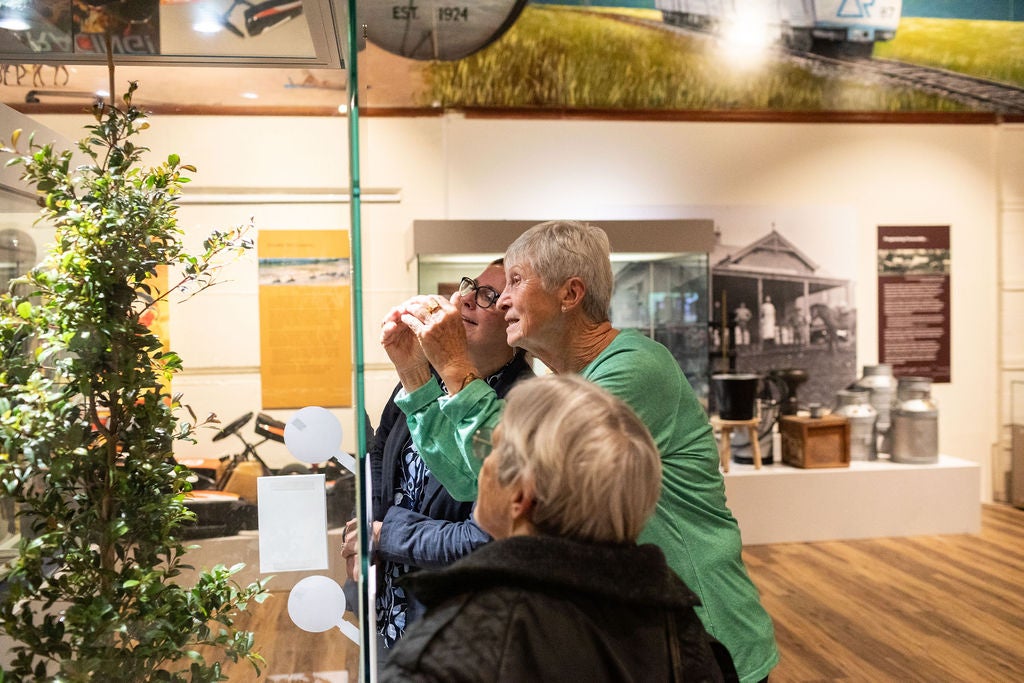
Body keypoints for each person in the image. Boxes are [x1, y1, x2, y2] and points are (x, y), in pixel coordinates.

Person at [381, 220, 778, 683]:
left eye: (515, 281)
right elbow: (471, 478)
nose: (503, 299)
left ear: (569, 294)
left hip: (698, 636)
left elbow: (526, 469)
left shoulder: (636, 367)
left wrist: (452, 363)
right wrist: (413, 372)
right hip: (630, 634)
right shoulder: (566, 384)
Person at [381, 374, 737, 682]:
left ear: (521, 494)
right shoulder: (682, 629)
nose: (483, 465)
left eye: (491, 449)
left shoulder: (449, 650)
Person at [343, 260, 534, 657]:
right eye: (470, 286)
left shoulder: (525, 405)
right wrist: (367, 538)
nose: (465, 300)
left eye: (488, 296)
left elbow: (484, 539)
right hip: (391, 601)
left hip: (456, 622)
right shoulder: (421, 374)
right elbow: (381, 454)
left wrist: (385, 533)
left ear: (516, 324)